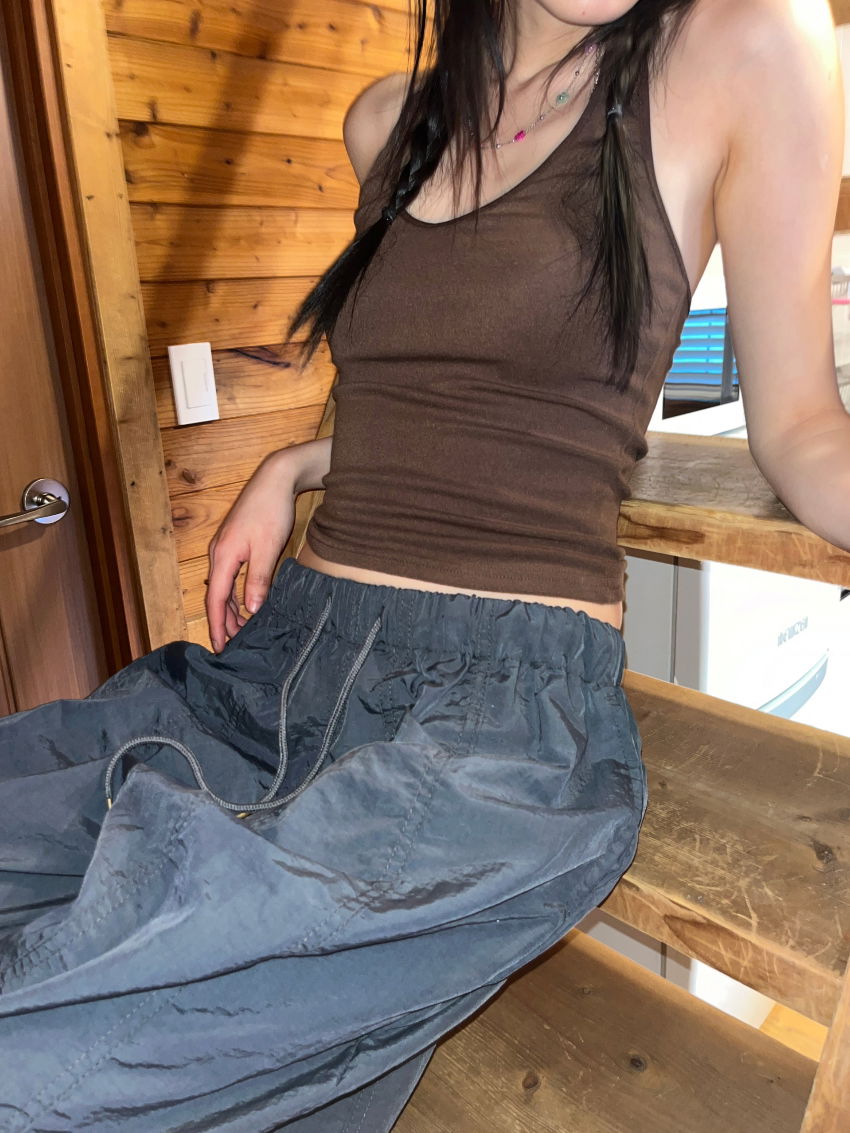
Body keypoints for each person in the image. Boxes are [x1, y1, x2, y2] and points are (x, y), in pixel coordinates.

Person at [1, 0, 847, 1129]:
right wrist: (295, 462)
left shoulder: (746, 44)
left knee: (59, 1056)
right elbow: (438, 395)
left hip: (490, 730)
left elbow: (804, 431)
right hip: (281, 665)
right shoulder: (387, 122)